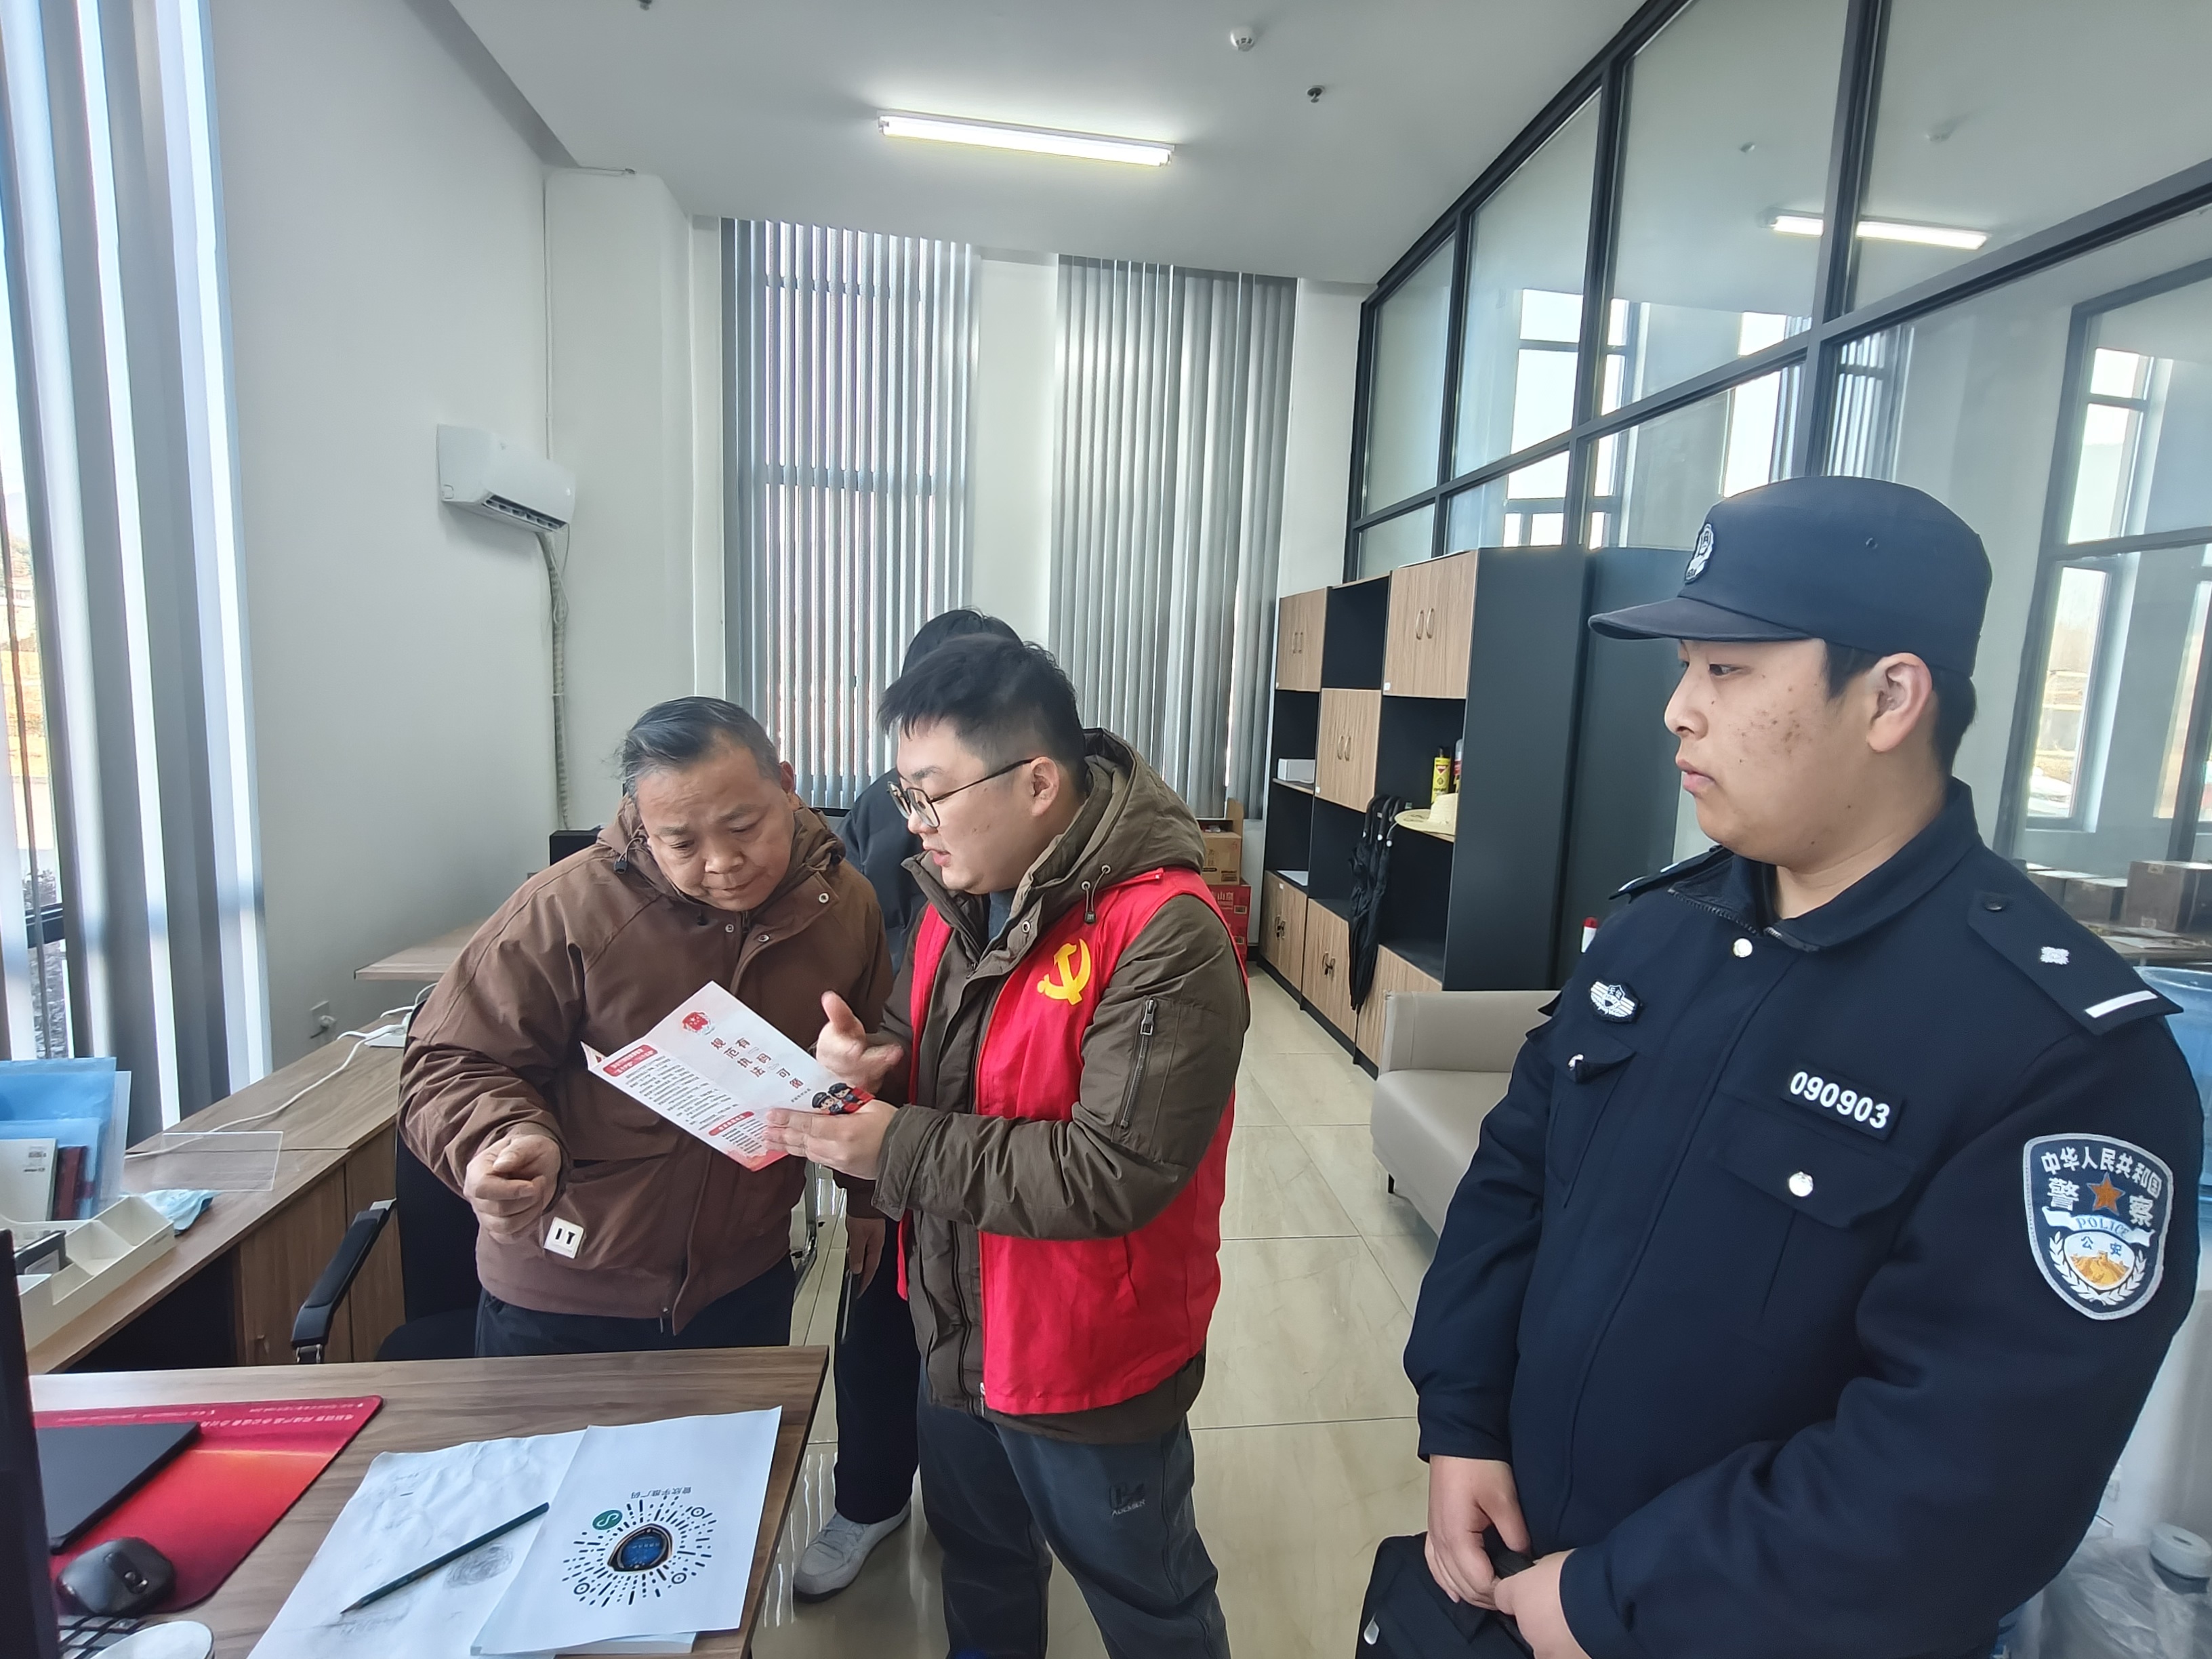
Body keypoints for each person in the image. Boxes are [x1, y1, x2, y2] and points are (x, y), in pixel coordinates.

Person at [1404, 475, 2201, 1659]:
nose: (1678, 710)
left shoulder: (2060, 1057)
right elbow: (1516, 1176)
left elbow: (1966, 1478)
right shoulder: (1655, 933)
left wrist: (1618, 1599)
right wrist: (1462, 1417)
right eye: (1685, 667)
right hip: (1524, 1572)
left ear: (1888, 697)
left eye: (1726, 670)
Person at [765, 635, 1247, 1659]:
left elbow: (1112, 1171)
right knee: (982, 1567)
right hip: (957, 1328)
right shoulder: (958, 896)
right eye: (903, 793)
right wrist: (874, 1062)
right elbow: (933, 1049)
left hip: (1087, 1357)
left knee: (1147, 1601)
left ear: (1037, 783)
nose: (914, 821)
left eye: (932, 793)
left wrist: (895, 1144)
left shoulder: (1166, 932)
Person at [401, 697, 893, 1357]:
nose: (722, 862)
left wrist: (866, 1196)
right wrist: (506, 1135)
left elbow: (878, 1050)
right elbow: (452, 1058)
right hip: (566, 1289)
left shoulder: (844, 904)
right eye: (682, 843)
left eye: (744, 826)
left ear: (785, 785)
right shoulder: (567, 909)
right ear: (641, 822)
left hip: (745, 1280)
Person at [794, 607, 1023, 1602]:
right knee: (880, 1316)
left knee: (997, 1333)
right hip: (897, 1102)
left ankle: (1000, 1515)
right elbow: (864, 958)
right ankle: (871, 1497)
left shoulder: (1030, 818)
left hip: (999, 1127)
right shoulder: (886, 812)